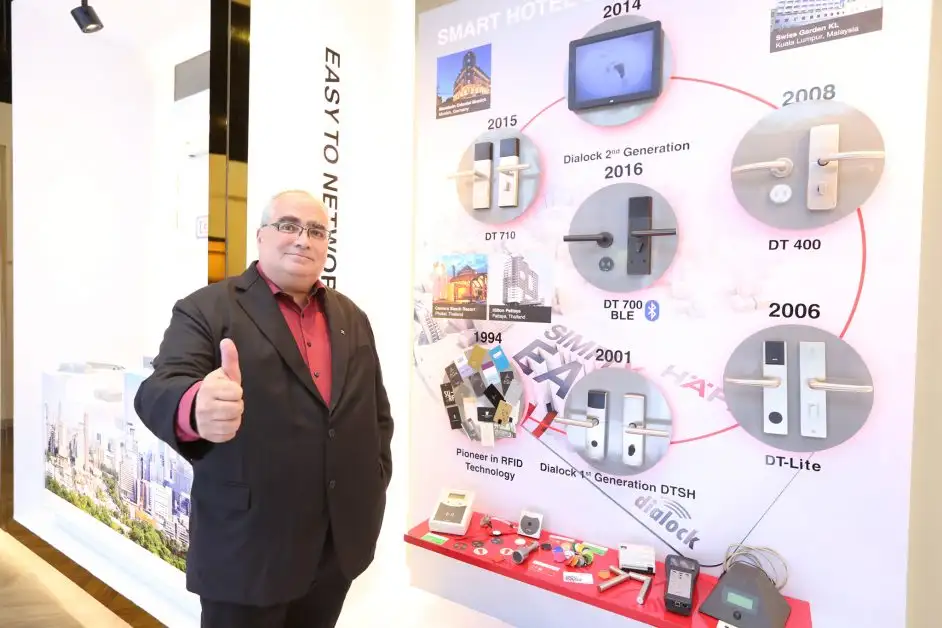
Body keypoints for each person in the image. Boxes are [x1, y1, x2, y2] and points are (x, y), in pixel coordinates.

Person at [134, 190, 394, 628]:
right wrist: (195, 405)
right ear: (260, 235)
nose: (303, 240)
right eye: (289, 226)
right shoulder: (207, 308)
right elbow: (157, 389)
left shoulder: (352, 317)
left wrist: (375, 478)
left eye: (316, 231)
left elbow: (376, 414)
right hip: (248, 552)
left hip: (336, 548)